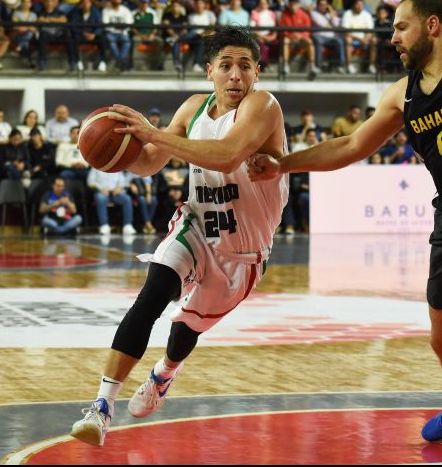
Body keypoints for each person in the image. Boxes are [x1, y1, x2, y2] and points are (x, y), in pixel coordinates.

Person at [248, 0, 442, 465]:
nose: (392, 36)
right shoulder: (402, 93)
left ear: (432, 25)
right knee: (441, 336)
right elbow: (351, 145)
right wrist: (283, 164)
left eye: (400, 26)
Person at [69, 27, 289, 448]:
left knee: (184, 332)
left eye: (245, 66)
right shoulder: (193, 108)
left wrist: (153, 132)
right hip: (194, 225)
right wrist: (119, 152)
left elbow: (226, 153)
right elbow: (152, 162)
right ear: (210, 71)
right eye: (225, 65)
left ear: (258, 73)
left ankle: (165, 373)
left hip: (242, 254)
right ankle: (101, 407)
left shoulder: (264, 107)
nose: (235, 76)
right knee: (151, 296)